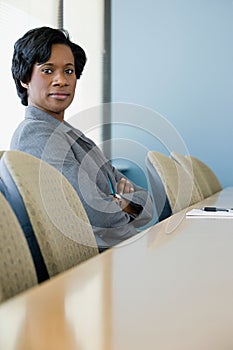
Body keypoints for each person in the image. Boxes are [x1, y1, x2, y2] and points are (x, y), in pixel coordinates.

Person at [10, 26, 154, 250]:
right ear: (24, 79)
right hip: (94, 261)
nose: (61, 80)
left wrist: (118, 204)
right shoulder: (36, 134)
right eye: (48, 70)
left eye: (69, 71)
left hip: (121, 248)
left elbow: (148, 205)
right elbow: (95, 212)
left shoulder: (71, 134)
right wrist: (124, 204)